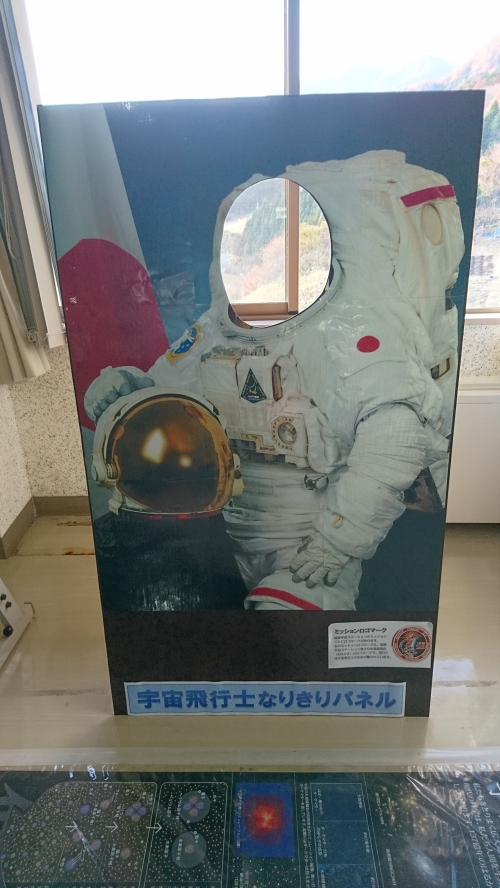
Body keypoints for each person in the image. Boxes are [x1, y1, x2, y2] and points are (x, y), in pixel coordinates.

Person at [85, 150, 464, 611]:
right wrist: (121, 389)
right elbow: (160, 399)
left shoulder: (343, 330)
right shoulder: (216, 329)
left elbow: (396, 436)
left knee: (282, 626)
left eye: (265, 254)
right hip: (219, 525)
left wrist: (336, 542)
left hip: (311, 541)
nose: (249, 266)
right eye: (242, 252)